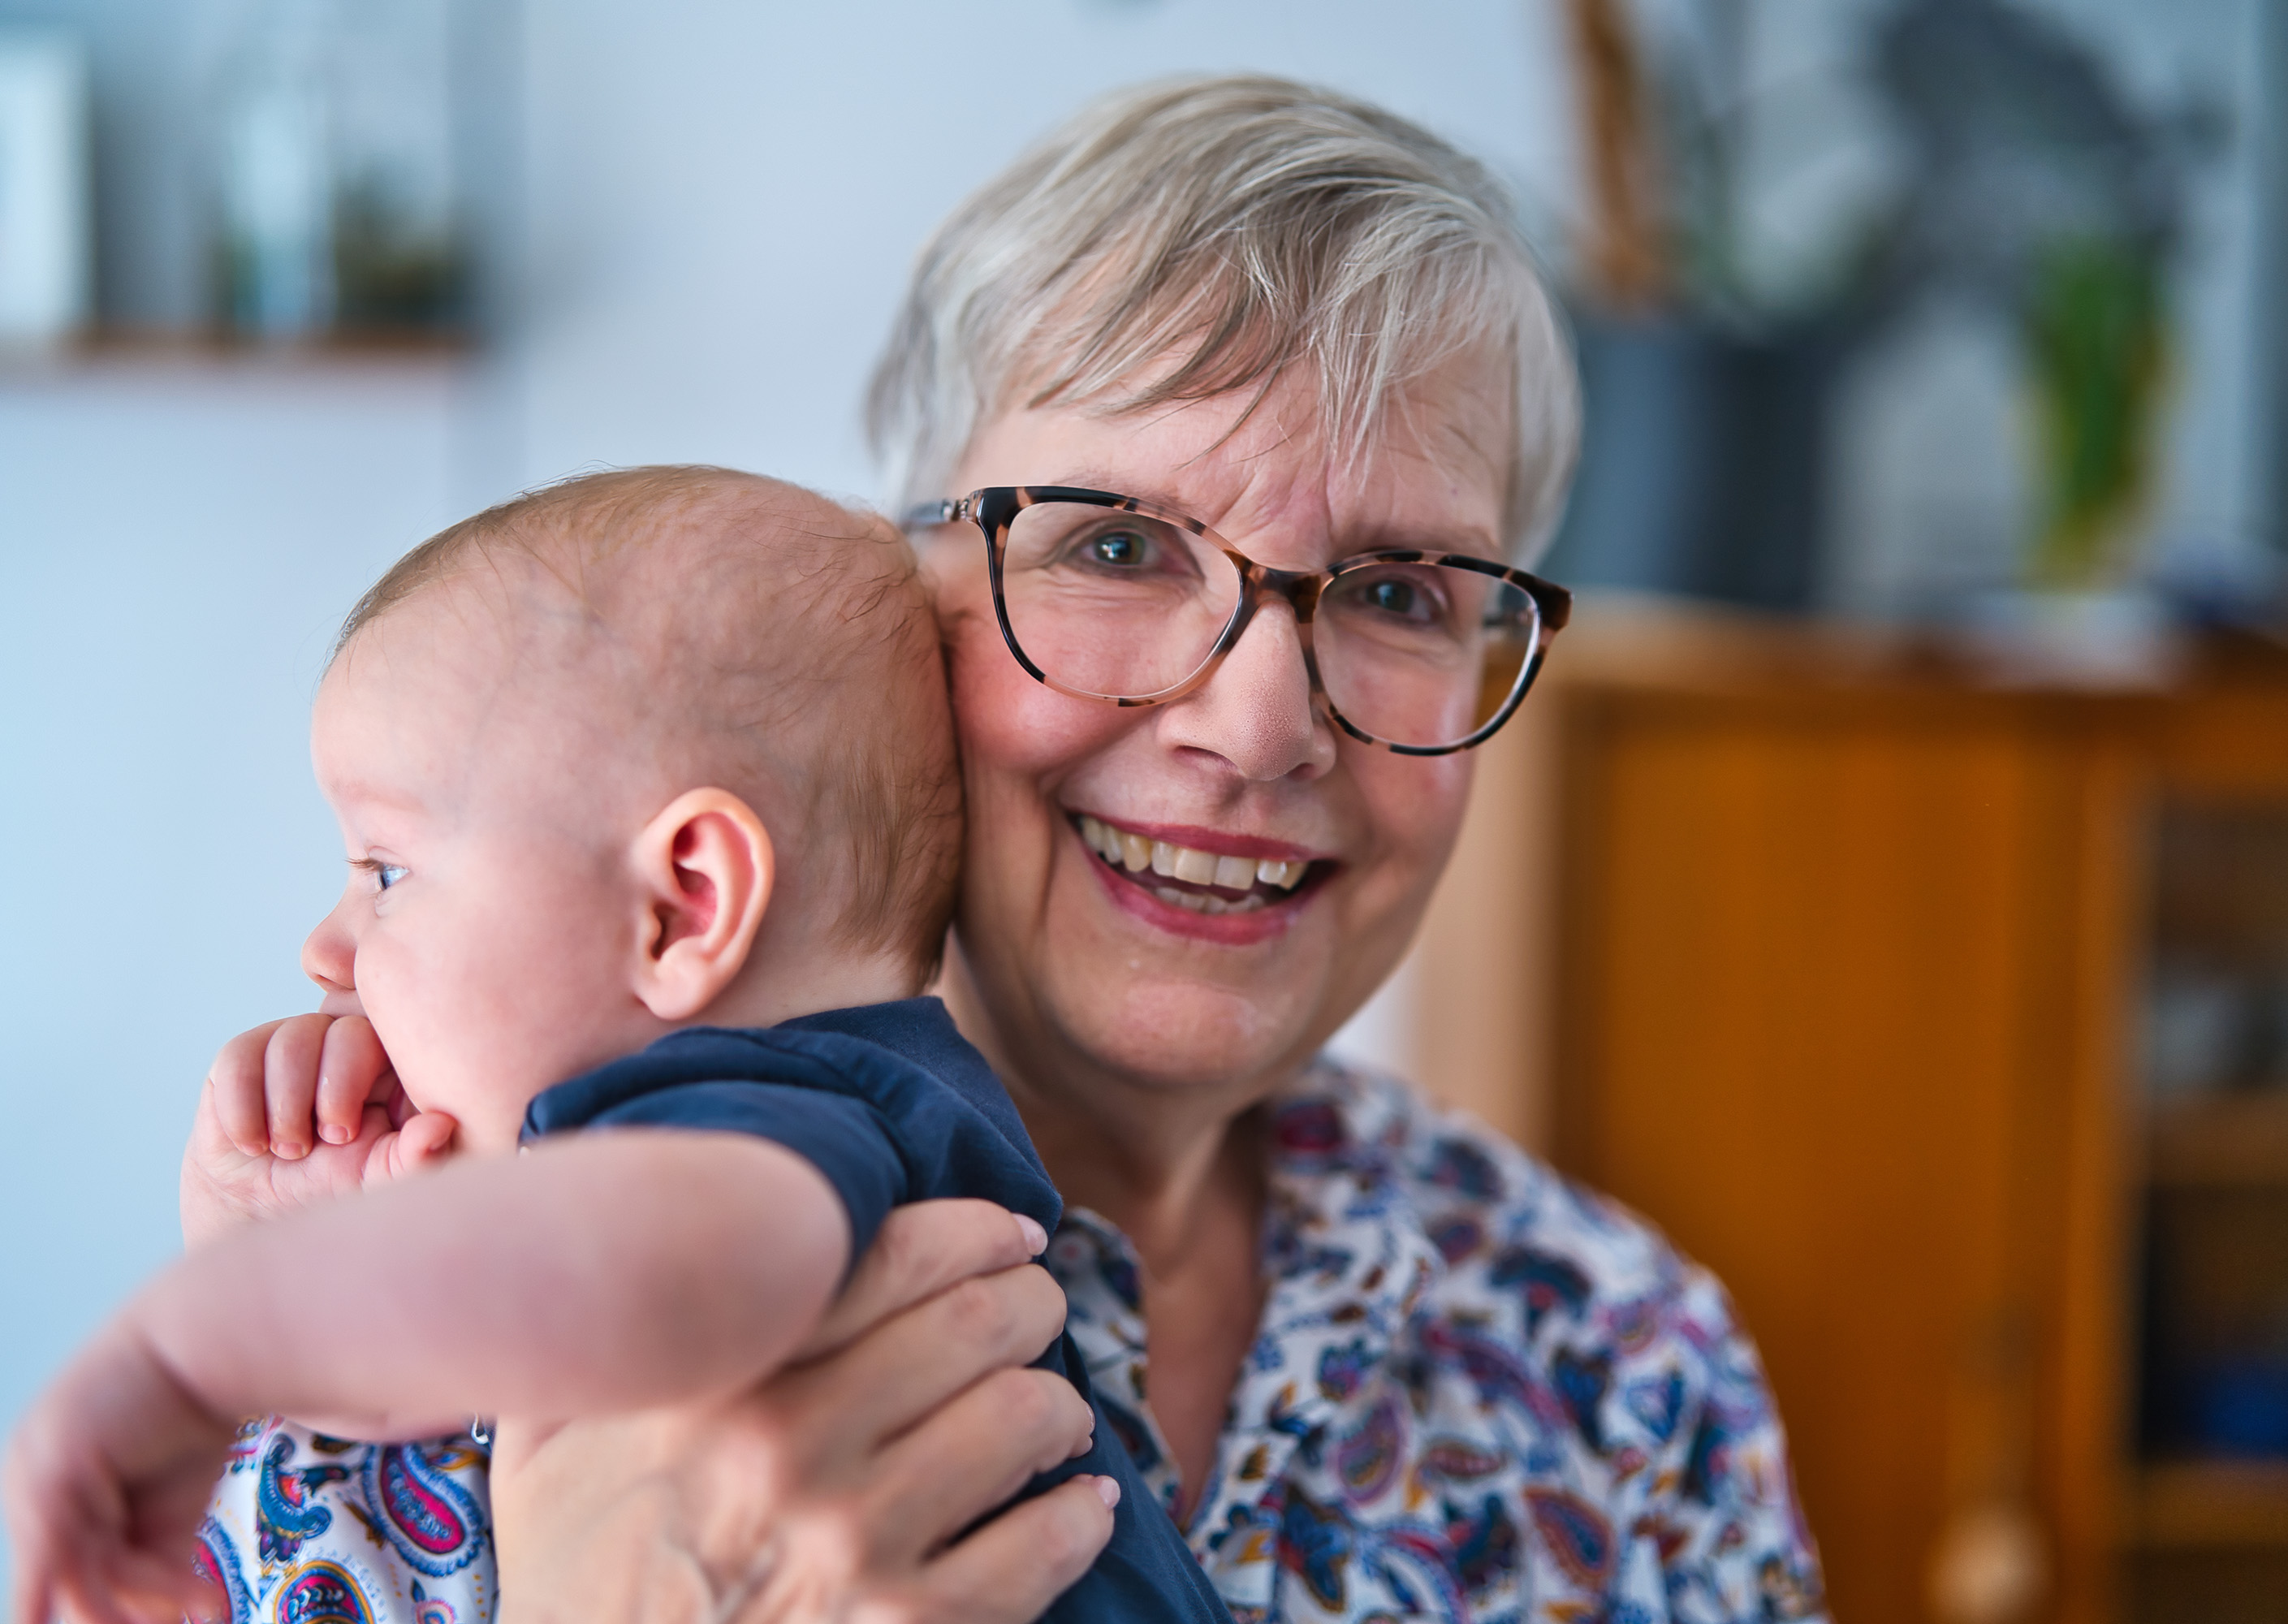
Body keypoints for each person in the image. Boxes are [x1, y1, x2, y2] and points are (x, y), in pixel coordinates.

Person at [200, 76, 1831, 1622]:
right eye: (1114, 544)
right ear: (900, 597)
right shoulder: (398, 1330)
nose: (1262, 725)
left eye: (1402, 590)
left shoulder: (1624, 1361)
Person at [0, 469, 1229, 1624]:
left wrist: (194, 1337)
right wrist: (283, 1254)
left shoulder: (773, 1110)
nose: (327, 947)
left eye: (388, 870)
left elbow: (636, 1277)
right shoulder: (804, 1137)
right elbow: (458, 1387)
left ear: (683, 906)